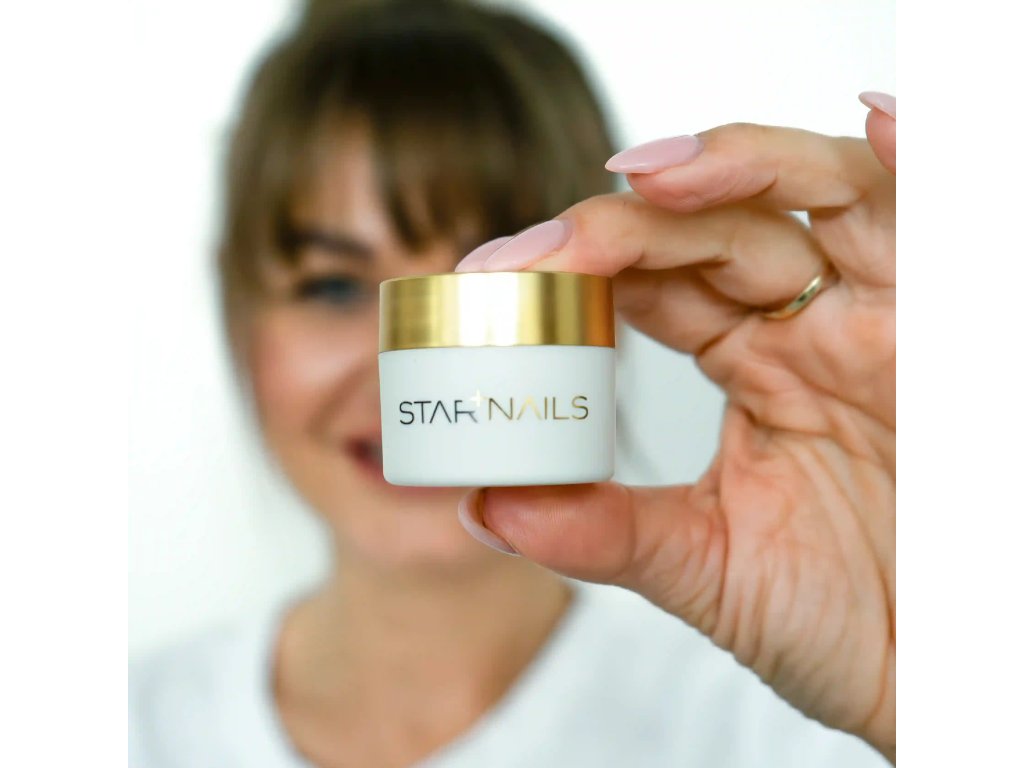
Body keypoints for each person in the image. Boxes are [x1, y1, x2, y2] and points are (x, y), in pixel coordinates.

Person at [129, 1, 895, 766]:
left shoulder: (807, 725)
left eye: (493, 286)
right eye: (333, 286)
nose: (415, 370)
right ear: (239, 315)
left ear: (610, 303)